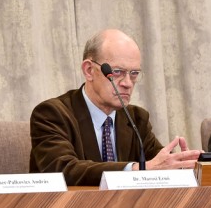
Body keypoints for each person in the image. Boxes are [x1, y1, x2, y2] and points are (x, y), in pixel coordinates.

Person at [29, 29, 201, 186]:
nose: (127, 83)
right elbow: (63, 170)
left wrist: (180, 167)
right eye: (117, 72)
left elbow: (157, 163)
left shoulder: (136, 118)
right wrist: (135, 170)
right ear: (89, 70)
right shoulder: (52, 114)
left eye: (134, 74)